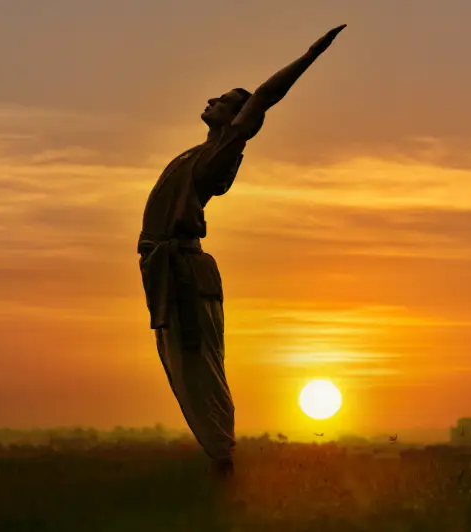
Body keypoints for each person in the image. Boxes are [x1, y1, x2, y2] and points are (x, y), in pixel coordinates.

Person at [136, 25, 347, 483]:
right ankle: (220, 460)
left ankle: (223, 463)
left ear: (237, 117)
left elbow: (264, 98)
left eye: (225, 100)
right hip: (169, 269)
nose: (212, 99)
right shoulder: (198, 152)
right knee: (183, 365)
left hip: (186, 270)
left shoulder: (226, 146)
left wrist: (311, 53)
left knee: (201, 367)